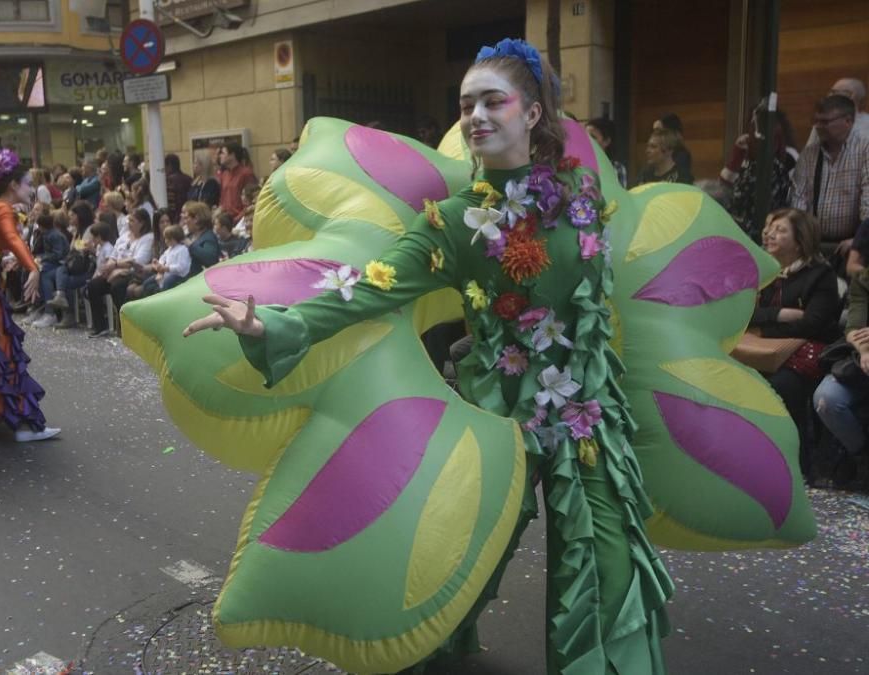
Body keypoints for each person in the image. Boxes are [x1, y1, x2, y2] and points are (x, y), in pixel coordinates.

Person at [183, 37, 672, 674]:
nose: (476, 115)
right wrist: (276, 323)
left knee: (608, 573)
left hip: (586, 420)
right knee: (466, 558)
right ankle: (436, 648)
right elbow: (371, 286)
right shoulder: (452, 222)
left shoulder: (579, 196)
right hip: (502, 419)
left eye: (494, 101)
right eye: (467, 103)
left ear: (531, 114)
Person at [0, 148, 61, 442]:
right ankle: (23, 424)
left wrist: (3, 258)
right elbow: (11, 238)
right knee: (3, 346)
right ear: (12, 185)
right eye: (28, 184)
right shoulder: (2, 208)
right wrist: (32, 268)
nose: (32, 189)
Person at [750, 208, 841, 480]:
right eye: (769, 229)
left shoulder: (820, 275)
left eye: (780, 230)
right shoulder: (762, 269)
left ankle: (796, 470)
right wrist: (779, 315)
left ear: (799, 240)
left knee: (780, 389)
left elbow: (813, 324)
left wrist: (763, 327)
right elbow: (743, 314)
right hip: (763, 352)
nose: (769, 235)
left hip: (804, 356)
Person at [814, 217, 869, 488]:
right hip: (863, 357)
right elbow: (855, 323)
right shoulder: (864, 279)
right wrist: (864, 350)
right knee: (827, 398)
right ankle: (861, 457)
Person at [790, 94, 869, 258]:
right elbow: (798, 202)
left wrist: (859, 241)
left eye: (825, 122)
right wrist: (799, 239)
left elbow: (868, 201)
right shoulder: (809, 155)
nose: (818, 126)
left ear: (848, 121)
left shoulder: (865, 149)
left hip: (853, 245)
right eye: (816, 121)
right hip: (815, 244)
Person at [721, 101, 797, 240]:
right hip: (739, 228)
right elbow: (725, 185)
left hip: (764, 229)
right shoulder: (746, 154)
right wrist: (738, 154)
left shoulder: (786, 159)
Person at [86, 207, 154, 338]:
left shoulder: (148, 238)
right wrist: (112, 266)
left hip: (135, 273)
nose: (129, 223)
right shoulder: (124, 236)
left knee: (117, 286)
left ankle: (125, 326)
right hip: (116, 270)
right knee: (93, 285)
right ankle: (100, 326)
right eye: (129, 220)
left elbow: (138, 261)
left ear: (142, 223)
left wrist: (116, 265)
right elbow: (114, 254)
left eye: (132, 221)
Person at [129, 225, 191, 298]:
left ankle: (163, 295)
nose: (166, 241)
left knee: (168, 281)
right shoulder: (169, 249)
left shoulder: (182, 250)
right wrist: (158, 264)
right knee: (146, 284)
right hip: (166, 273)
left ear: (175, 238)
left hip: (178, 275)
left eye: (168, 239)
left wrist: (166, 268)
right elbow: (163, 257)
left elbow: (181, 267)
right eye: (165, 239)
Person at [805, 78, 869, 145]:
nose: (830, 96)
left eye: (834, 92)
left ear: (852, 96)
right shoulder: (820, 122)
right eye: (831, 92)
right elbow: (811, 151)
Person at [217, 142, 258, 220]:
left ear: (232, 155)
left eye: (222, 153)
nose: (220, 156)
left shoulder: (246, 173)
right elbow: (222, 199)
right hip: (225, 220)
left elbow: (252, 199)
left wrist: (240, 217)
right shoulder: (224, 174)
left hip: (241, 220)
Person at [585, 116, 627, 188]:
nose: (587, 140)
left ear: (606, 141)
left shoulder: (617, 169)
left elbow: (620, 197)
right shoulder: (579, 166)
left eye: (593, 137)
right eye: (585, 136)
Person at [183, 201, 219, 276]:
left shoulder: (209, 237)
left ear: (196, 219)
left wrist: (190, 245)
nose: (185, 222)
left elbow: (210, 259)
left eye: (187, 218)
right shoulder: (189, 236)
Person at [653, 112, 693, 179]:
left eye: (659, 132)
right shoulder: (655, 154)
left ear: (671, 133)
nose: (654, 136)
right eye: (654, 132)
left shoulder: (682, 156)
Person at [165, 153, 193, 219]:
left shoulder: (168, 181)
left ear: (169, 166)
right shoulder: (189, 179)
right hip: (188, 214)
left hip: (174, 217)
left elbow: (171, 204)